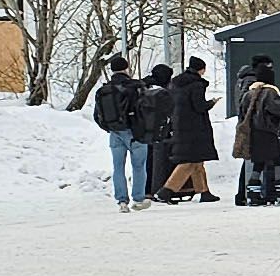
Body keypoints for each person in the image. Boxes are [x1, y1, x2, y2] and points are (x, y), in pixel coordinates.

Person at [158, 55, 221, 204]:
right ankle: (166, 190)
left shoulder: (176, 83)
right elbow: (199, 106)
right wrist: (211, 103)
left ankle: (204, 191)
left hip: (180, 125)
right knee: (188, 162)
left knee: (197, 161)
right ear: (201, 69)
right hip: (195, 128)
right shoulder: (196, 85)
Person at [94, 55, 152, 213]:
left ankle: (122, 201)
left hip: (115, 133)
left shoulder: (103, 90)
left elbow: (97, 116)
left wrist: (110, 128)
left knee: (118, 167)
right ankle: (138, 198)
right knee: (139, 166)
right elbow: (147, 109)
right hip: (136, 133)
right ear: (127, 68)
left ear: (111, 70)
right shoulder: (136, 87)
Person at [247, 75, 280, 205]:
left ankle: (253, 194)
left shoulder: (249, 93)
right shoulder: (269, 93)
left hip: (254, 132)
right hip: (268, 132)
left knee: (258, 162)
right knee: (278, 161)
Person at [141, 65, 178, 201]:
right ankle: (155, 189)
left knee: (144, 163)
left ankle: (144, 189)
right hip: (160, 131)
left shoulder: (143, 87)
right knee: (157, 162)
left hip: (142, 130)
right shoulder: (163, 92)